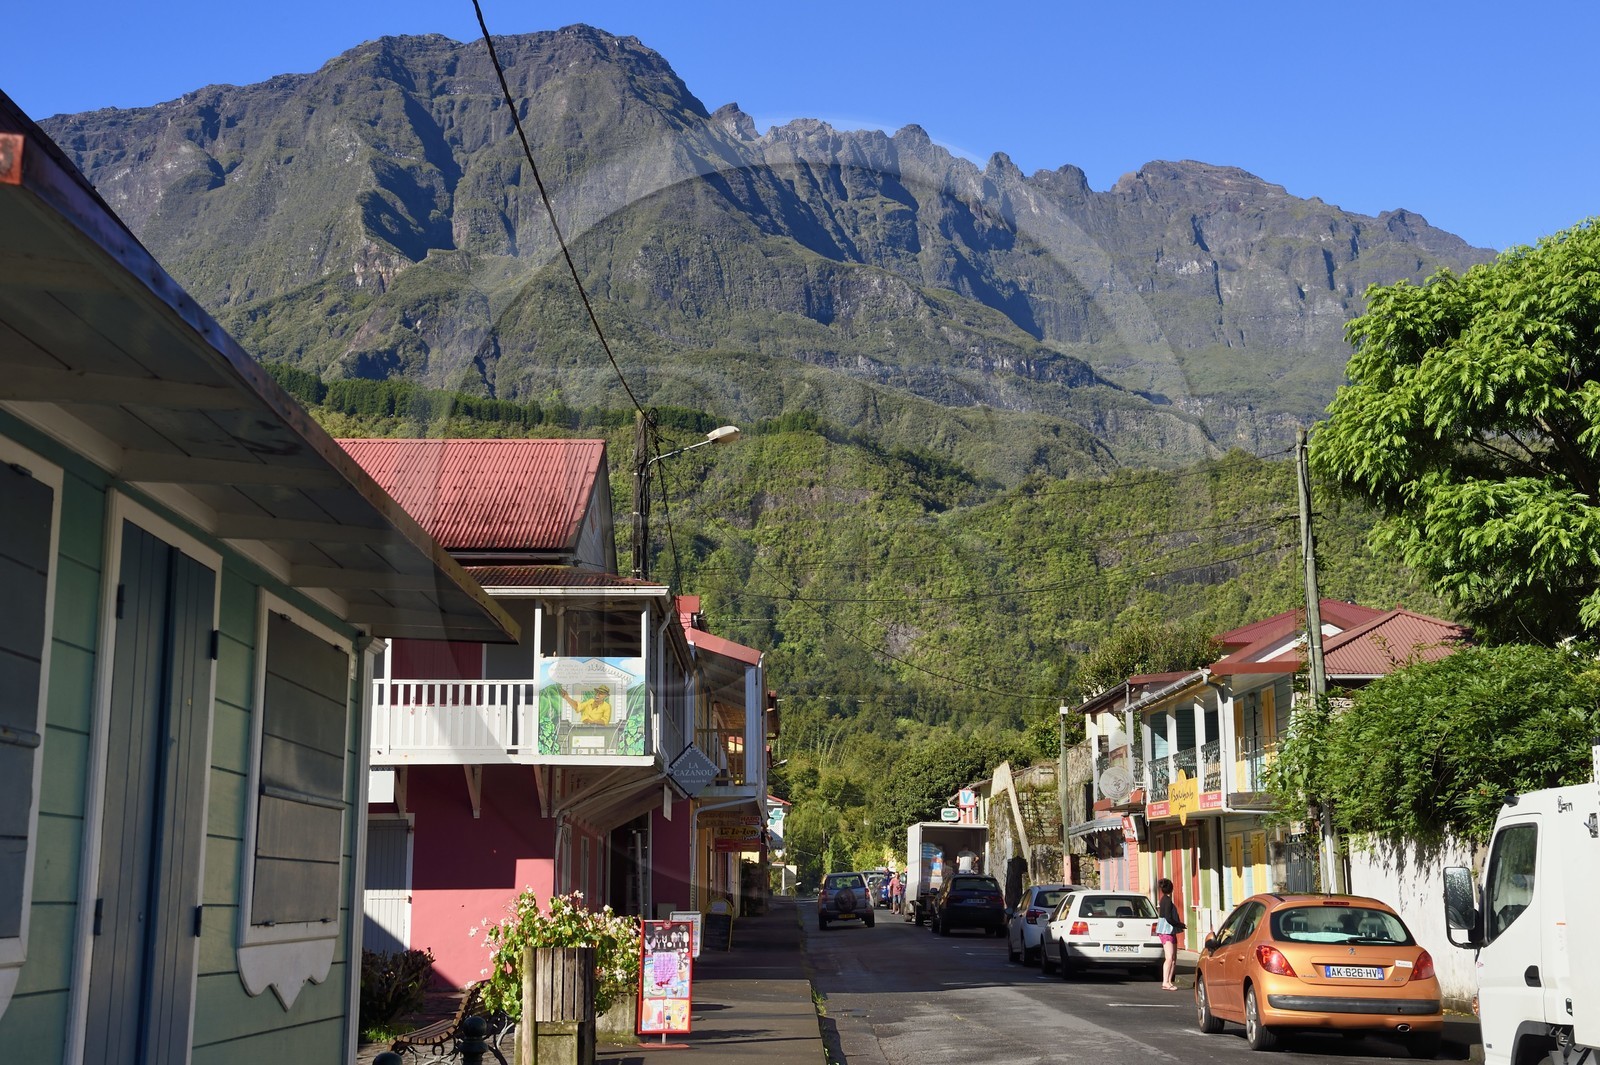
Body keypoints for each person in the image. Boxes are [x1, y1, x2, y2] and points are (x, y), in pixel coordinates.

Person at [1157, 878, 1186, 990]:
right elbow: (1168, 918)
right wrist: (1180, 924)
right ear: (1171, 889)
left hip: (1168, 931)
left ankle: (1169, 981)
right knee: (1169, 957)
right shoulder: (1167, 901)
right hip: (1167, 931)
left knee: (1173, 958)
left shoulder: (1163, 899)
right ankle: (1165, 981)